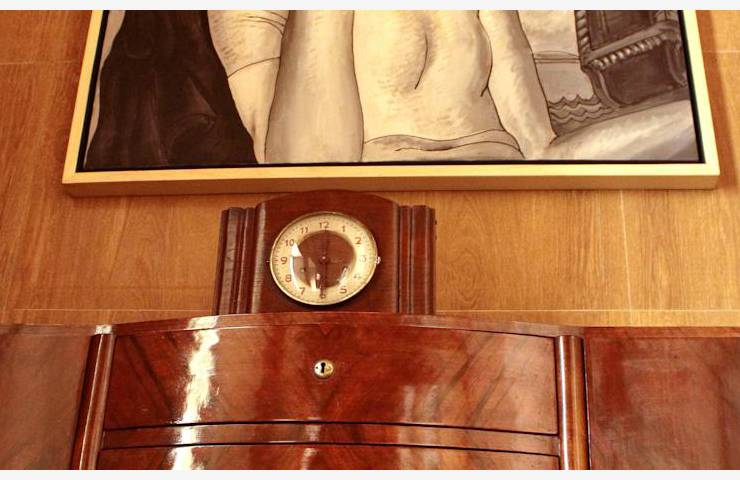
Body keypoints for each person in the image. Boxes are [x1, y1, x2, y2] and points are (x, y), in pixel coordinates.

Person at [208, 10, 697, 164]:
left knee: (698, 124)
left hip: (504, 186)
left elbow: (539, 152)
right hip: (387, 193)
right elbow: (303, 164)